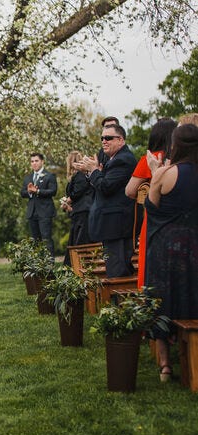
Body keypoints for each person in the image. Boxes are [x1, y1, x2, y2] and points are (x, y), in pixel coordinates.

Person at [144, 123, 198, 382]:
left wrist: (156, 173)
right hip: (195, 248)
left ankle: (166, 364)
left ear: (175, 145)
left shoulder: (166, 173)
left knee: (162, 299)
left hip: (167, 249)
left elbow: (151, 208)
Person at [76, 124, 136, 278]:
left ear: (121, 140)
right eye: (102, 138)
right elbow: (104, 184)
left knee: (118, 273)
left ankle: (121, 303)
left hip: (117, 225)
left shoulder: (122, 160)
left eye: (108, 138)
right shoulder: (114, 159)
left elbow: (106, 187)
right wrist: (91, 172)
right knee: (115, 270)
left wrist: (94, 170)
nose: (104, 141)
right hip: (112, 225)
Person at [124, 118, 177, 288]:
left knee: (151, 259)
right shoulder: (180, 160)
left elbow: (130, 190)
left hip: (154, 216)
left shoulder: (150, 159)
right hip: (179, 217)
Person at [20, 152, 57, 256]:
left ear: (42, 161)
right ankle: (38, 265)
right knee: (35, 240)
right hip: (32, 212)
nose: (34, 163)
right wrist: (29, 192)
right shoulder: (28, 178)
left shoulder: (49, 176)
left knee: (46, 239)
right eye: (32, 161)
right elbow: (22, 193)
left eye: (36, 161)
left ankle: (49, 264)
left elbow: (53, 191)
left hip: (45, 212)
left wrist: (38, 191)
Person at [61, 151, 93, 266]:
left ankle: (79, 266)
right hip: (79, 212)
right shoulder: (80, 175)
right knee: (76, 242)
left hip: (83, 213)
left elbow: (79, 191)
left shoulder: (79, 175)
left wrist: (68, 200)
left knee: (80, 243)